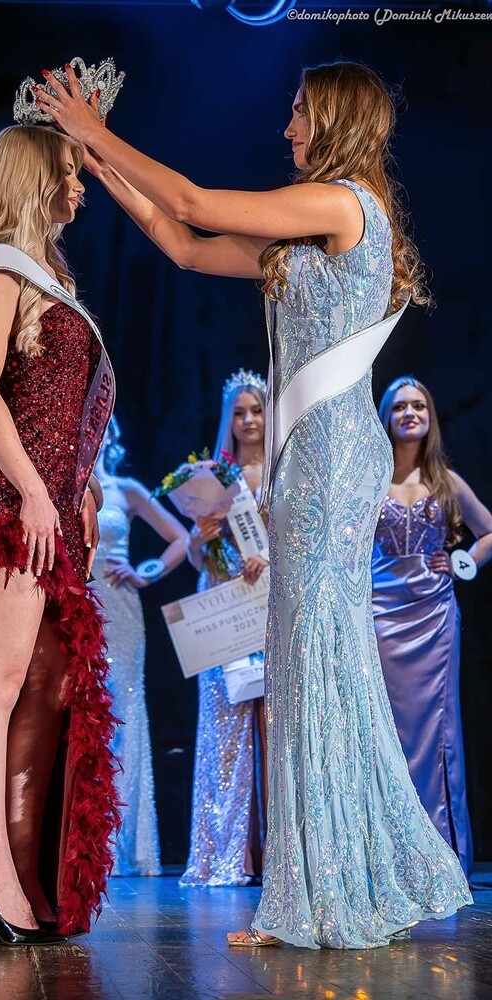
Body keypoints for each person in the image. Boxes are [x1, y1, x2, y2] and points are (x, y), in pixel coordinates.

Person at [37, 58, 471, 949]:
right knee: (308, 664)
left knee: (313, 662)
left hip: (331, 459)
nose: (287, 129)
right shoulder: (310, 231)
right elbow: (185, 243)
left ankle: (324, 892)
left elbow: (196, 200)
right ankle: (314, 887)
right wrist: (103, 163)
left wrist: (94, 129)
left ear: (337, 120)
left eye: (300, 113)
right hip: (312, 457)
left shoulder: (343, 204)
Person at [0, 125, 119, 945]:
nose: (80, 187)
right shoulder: (1, 270)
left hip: (49, 502)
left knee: (50, 687)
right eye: (70, 173)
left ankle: (27, 872)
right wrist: (38, 492)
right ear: (34, 177)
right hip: (10, 502)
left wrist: (87, 486)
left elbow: (60, 410)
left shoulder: (52, 277)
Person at [373, 376, 492, 878]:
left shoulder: (446, 481)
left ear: (431, 416)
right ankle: (388, 854)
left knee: (437, 731)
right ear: (386, 417)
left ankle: (439, 853)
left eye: (419, 405)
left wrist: (463, 562)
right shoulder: (369, 479)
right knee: (385, 729)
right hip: (379, 612)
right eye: (400, 406)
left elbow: (488, 532)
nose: (410, 413)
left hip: (433, 616)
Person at [180, 369, 269, 886]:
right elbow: (196, 556)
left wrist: (269, 560)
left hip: (270, 602)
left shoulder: (283, 470)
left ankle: (276, 852)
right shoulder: (214, 476)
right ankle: (229, 854)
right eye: (239, 413)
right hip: (222, 602)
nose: (249, 420)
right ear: (227, 419)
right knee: (225, 729)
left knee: (275, 727)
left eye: (256, 410)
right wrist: (201, 536)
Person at [91, 415, 187, 876]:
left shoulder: (125, 489)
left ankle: (122, 845)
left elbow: (180, 538)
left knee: (122, 714)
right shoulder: (59, 485)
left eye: (103, 423)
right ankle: (77, 843)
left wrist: (145, 572)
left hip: (121, 613)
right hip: (70, 606)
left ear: (112, 434)